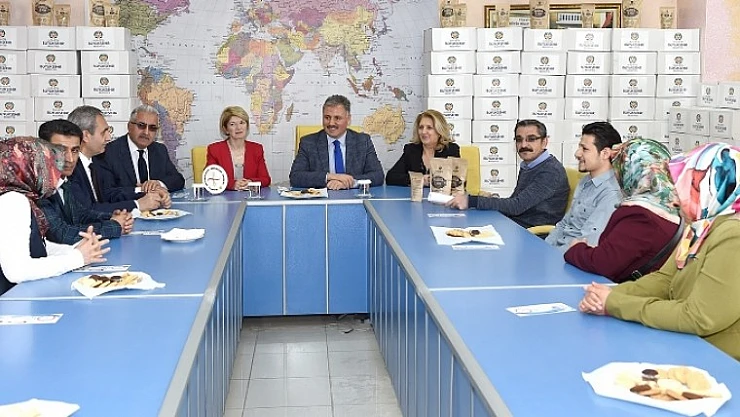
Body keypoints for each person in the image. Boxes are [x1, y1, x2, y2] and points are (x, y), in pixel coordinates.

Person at [579, 142, 740, 361]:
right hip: (688, 344)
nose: (674, 199)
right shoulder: (701, 226)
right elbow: (664, 280)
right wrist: (608, 295)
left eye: (684, 189)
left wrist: (615, 303)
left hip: (718, 359)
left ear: (710, 187)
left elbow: (699, 317)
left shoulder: (733, 236)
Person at [0, 137, 110, 296]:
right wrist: (77, 258)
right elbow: (17, 271)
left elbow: (37, 247)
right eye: (49, 166)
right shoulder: (13, 201)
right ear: (30, 168)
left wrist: (77, 249)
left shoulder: (22, 197)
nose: (55, 174)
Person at [565, 138, 683, 282]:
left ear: (630, 170)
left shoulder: (641, 215)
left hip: (629, 290)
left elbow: (603, 263)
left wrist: (576, 249)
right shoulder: (675, 205)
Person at [446, 119, 570, 229]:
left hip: (532, 234)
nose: (524, 145)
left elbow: (516, 206)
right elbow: (514, 202)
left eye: (531, 139)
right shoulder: (529, 165)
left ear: (544, 142)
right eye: (519, 140)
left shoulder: (551, 171)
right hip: (514, 224)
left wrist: (471, 201)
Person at [36, 119, 133, 245]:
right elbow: (62, 234)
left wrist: (111, 217)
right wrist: (114, 226)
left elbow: (80, 214)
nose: (70, 159)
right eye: (61, 150)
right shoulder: (36, 186)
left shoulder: (63, 181)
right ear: (43, 151)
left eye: (75, 150)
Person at [67, 105, 167, 213]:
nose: (109, 138)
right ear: (85, 136)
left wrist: (151, 194)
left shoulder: (95, 162)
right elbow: (87, 211)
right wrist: (138, 205)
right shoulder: (71, 169)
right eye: (104, 132)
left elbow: (109, 194)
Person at [545, 121, 623, 250]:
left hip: (571, 256)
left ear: (605, 153)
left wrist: (552, 256)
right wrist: (545, 249)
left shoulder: (611, 193)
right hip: (558, 250)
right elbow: (564, 224)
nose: (577, 153)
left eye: (584, 149)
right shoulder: (585, 181)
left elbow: (588, 242)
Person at [289, 95, 384, 190]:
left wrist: (349, 183)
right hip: (322, 198)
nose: (331, 123)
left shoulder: (363, 141)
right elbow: (295, 177)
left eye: (337, 118)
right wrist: (330, 177)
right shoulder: (308, 143)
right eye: (327, 117)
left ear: (348, 119)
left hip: (354, 197)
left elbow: (378, 176)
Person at [94, 104, 185, 203]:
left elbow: (178, 180)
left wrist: (158, 184)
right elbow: (108, 194)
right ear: (129, 126)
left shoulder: (159, 150)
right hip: (127, 210)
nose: (146, 132)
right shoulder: (108, 153)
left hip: (158, 209)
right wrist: (142, 190)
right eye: (141, 126)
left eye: (152, 128)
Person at [385, 109, 460, 186]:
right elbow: (391, 177)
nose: (423, 132)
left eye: (429, 128)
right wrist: (419, 180)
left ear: (439, 131)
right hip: (416, 194)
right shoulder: (411, 150)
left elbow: (458, 181)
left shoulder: (451, 150)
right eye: (421, 127)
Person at [206, 106, 271, 190]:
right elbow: (209, 179)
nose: (238, 128)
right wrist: (232, 185)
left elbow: (266, 179)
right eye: (232, 124)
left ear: (247, 126)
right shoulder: (214, 150)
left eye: (242, 123)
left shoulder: (256, 149)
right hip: (225, 197)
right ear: (226, 129)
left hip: (249, 196)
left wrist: (250, 182)